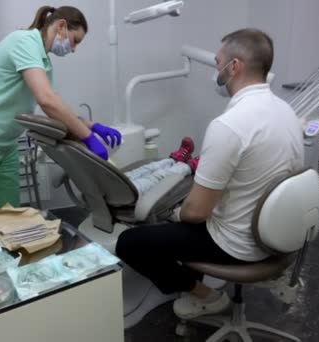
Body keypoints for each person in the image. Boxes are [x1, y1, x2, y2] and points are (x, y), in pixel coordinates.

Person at [116, 28, 304, 319]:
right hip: (277, 237)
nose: (216, 71)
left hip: (237, 245)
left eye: (217, 63)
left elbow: (196, 213)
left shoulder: (228, 125)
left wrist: (175, 213)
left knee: (130, 243)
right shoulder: (287, 112)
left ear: (235, 66)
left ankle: (207, 296)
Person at [0, 6, 121, 227]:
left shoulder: (42, 58)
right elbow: (47, 101)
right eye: (75, 40)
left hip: (6, 144)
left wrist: (93, 125)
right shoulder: (24, 42)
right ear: (61, 26)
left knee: (8, 217)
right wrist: (87, 137)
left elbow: (54, 106)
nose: (74, 48)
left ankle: (4, 261)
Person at [125, 137, 198, 195]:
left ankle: (174, 160)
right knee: (157, 176)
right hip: (126, 194)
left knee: (149, 168)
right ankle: (190, 166)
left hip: (117, 186)